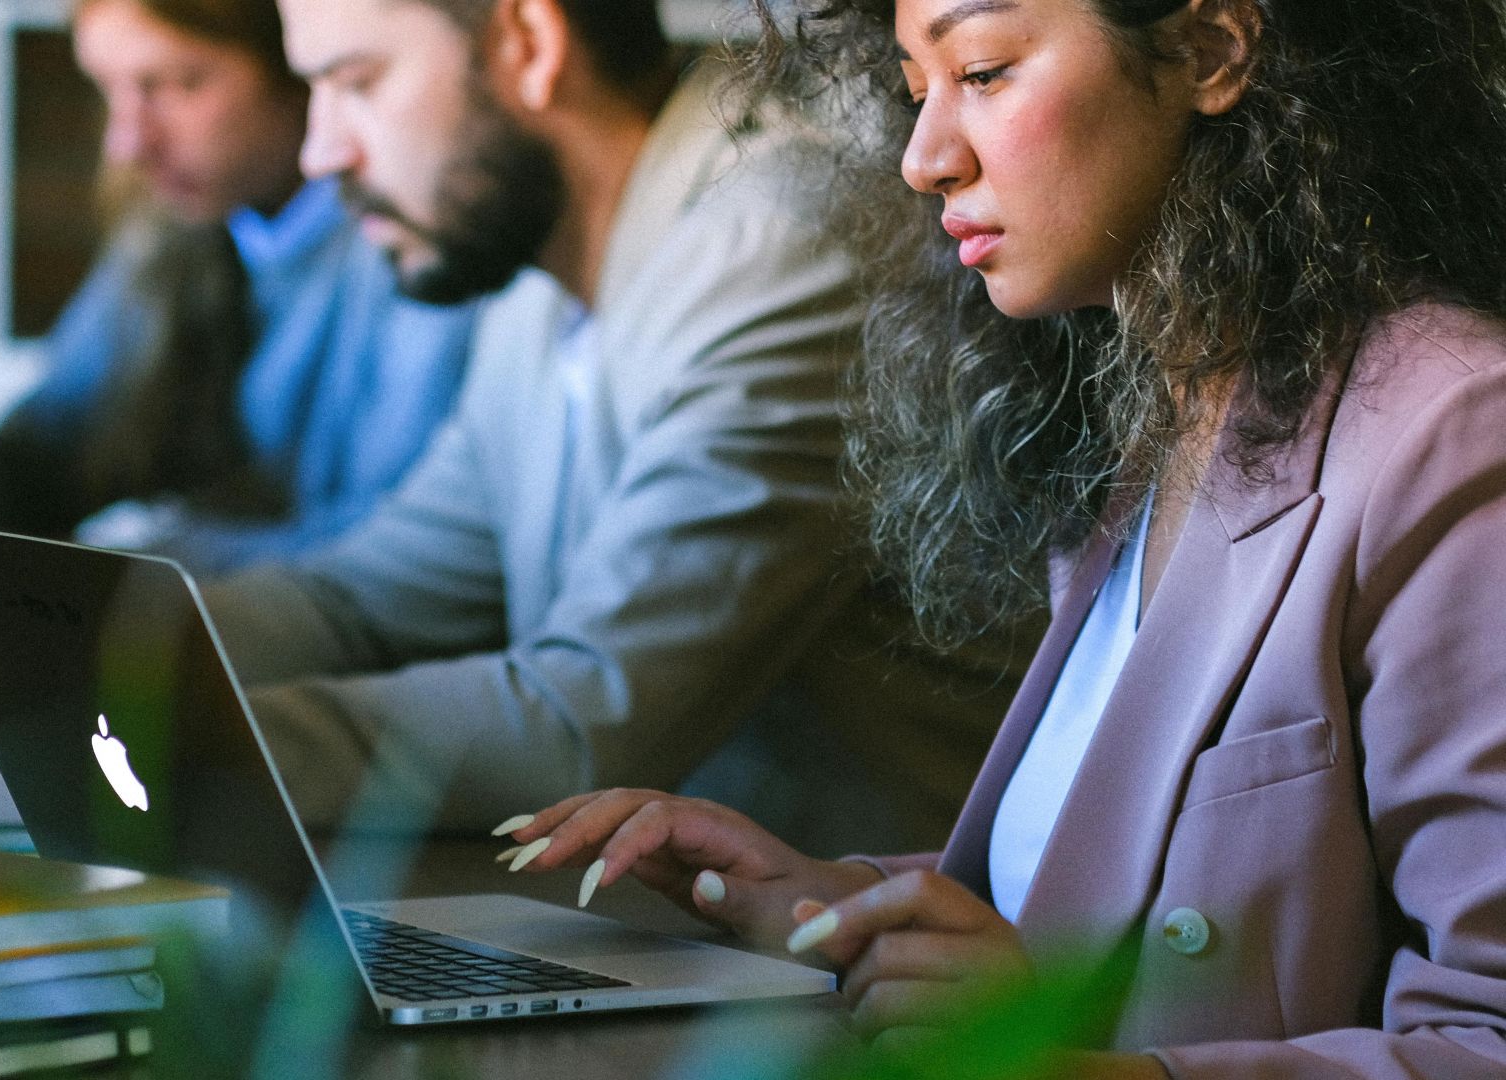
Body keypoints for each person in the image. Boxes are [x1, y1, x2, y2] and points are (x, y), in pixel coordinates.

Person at [500, 0, 1506, 1074]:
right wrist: (833, 902)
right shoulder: (1156, 416)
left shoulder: (1450, 431)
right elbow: (1122, 888)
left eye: (980, 72)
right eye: (911, 87)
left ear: (1212, 51)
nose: (923, 158)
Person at [0, 0, 1028, 856]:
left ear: (528, 40)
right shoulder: (544, 281)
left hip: (869, 1004)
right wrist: (48, 633)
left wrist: (110, 730)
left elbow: (590, 721)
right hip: (672, 944)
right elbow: (370, 598)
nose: (320, 149)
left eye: (355, 81)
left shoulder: (778, 240)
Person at [0, 0, 476, 579]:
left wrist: (67, 577)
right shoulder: (182, 232)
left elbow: (383, 564)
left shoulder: (414, 248)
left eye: (177, 85)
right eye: (111, 91)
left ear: (297, 66)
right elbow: (41, 450)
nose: (128, 143)